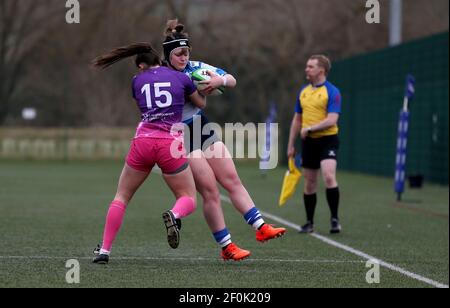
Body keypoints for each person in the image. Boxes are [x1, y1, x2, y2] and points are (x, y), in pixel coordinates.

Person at [162, 19, 286, 261]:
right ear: (168, 55)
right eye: (178, 54)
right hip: (177, 134)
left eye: (186, 53)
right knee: (210, 190)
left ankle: (261, 227)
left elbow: (231, 79)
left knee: (231, 178)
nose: (183, 58)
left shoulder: (195, 67)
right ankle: (227, 246)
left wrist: (220, 81)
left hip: (200, 125)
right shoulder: (162, 75)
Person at [90, 43, 206, 264]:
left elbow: (145, 107)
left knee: (121, 197)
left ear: (142, 65)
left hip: (143, 142)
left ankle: (104, 250)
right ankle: (175, 214)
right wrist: (205, 90)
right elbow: (200, 103)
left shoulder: (136, 81)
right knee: (188, 198)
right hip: (170, 144)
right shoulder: (181, 78)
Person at [287, 55, 342, 234]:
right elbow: (297, 119)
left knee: (328, 176)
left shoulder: (332, 91)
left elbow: (332, 119)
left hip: (328, 140)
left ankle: (335, 219)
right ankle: (309, 222)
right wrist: (290, 145)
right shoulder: (303, 92)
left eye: (310, 67)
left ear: (321, 70)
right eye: (307, 66)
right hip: (308, 143)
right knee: (310, 183)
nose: (307, 70)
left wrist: (310, 128)